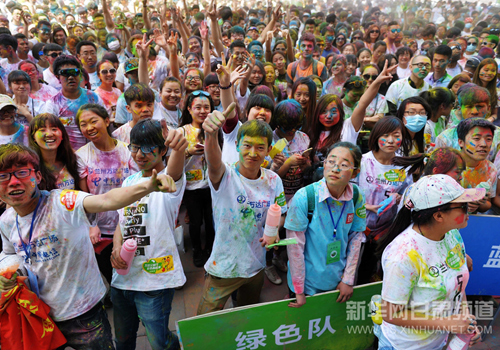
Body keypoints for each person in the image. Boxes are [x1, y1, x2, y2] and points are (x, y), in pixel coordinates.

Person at [0, 142, 177, 348]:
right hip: (42, 315)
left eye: (22, 173)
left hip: (84, 314)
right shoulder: (6, 220)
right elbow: (9, 252)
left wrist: (148, 186)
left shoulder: (63, 202)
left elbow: (106, 201)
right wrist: (8, 271)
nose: (13, 182)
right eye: (3, 176)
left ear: (38, 177)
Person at [375, 174, 483, 350]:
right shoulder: (404, 255)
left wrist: (466, 322)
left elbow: (458, 283)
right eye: (463, 206)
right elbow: (389, 313)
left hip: (437, 342)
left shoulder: (451, 234)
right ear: (439, 215)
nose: (469, 209)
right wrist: (447, 324)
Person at [197, 113, 287, 315]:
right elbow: (213, 161)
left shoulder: (273, 181)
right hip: (222, 267)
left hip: (255, 266)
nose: (253, 153)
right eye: (247, 146)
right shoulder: (224, 174)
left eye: (260, 147)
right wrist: (210, 135)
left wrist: (275, 230)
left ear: (269, 150)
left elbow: (281, 213)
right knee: (204, 321)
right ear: (237, 145)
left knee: (247, 317)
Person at [110, 119, 187, 350]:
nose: (139, 154)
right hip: (123, 280)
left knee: (159, 342)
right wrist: (116, 247)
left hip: (155, 282)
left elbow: (171, 174)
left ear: (163, 150)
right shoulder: (129, 182)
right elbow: (121, 222)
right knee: (122, 340)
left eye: (147, 148)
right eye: (134, 147)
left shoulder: (167, 180)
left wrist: (178, 148)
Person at [286, 142, 366, 307]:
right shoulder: (304, 197)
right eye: (331, 161)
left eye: (344, 165)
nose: (335, 168)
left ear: (355, 173)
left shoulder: (357, 196)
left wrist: (348, 280)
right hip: (306, 284)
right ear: (324, 163)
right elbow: (295, 248)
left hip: (337, 282)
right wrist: (299, 291)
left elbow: (356, 238)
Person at [355, 116, 412, 284]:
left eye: (396, 135)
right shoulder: (363, 161)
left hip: (384, 231)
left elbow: (408, 196)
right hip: (356, 228)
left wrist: (399, 197)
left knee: (367, 270)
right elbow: (347, 193)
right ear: (376, 136)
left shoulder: (404, 166)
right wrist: (367, 207)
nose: (391, 141)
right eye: (385, 135)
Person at [179, 91, 217, 267]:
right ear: (189, 109)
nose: (202, 111)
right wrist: (188, 152)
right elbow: (172, 160)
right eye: (198, 107)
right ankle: (197, 250)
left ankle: (210, 248)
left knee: (211, 219)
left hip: (212, 185)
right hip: (191, 187)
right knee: (195, 222)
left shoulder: (215, 130)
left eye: (206, 107)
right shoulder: (182, 131)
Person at [43, 55, 103, 150]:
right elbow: (50, 134)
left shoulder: (94, 97)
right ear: (58, 77)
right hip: (69, 155)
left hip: (96, 152)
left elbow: (103, 124)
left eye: (74, 72)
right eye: (65, 73)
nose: (71, 77)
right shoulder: (52, 104)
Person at [28, 113, 80, 190]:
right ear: (33, 137)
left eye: (54, 129)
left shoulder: (73, 160)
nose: (49, 134)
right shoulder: (29, 167)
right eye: (42, 130)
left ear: (62, 135)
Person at [457, 118, 497, 214]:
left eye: (488, 139)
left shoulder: (490, 169)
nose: (483, 144)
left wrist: (480, 203)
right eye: (476, 139)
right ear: (460, 142)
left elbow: (488, 204)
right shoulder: (447, 165)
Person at [360, 64, 389, 129]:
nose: (370, 80)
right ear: (360, 76)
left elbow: (379, 118)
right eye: (366, 76)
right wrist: (371, 119)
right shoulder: (355, 95)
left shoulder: (381, 98)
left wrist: (362, 120)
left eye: (374, 77)